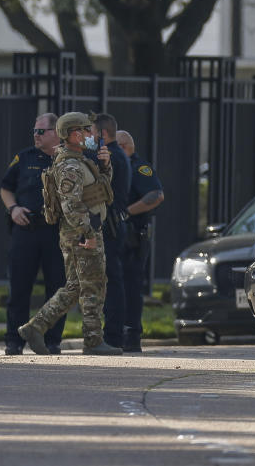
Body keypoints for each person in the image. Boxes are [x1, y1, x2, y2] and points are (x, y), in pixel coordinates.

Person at [18, 112, 122, 356]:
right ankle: (93, 340)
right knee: (92, 285)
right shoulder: (70, 165)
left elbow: (101, 190)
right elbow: (71, 206)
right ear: (75, 134)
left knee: (78, 286)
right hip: (80, 233)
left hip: (86, 230)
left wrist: (106, 165)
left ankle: (35, 327)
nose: (91, 135)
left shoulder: (81, 159)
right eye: (87, 131)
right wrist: (87, 233)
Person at [0, 113, 66, 355]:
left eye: (41, 131)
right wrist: (13, 208)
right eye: (34, 131)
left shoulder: (68, 160)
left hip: (56, 231)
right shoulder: (25, 157)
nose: (35, 136)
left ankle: (52, 340)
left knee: (57, 287)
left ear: (55, 133)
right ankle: (14, 340)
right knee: (19, 287)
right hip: (26, 228)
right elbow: (6, 188)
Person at [117, 130, 165, 353]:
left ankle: (132, 334)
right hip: (118, 235)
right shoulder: (115, 168)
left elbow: (156, 195)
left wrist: (125, 213)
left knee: (131, 286)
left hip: (134, 236)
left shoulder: (139, 168)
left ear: (124, 146)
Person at [89, 112, 130, 349]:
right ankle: (113, 334)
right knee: (113, 280)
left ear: (103, 135)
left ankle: (113, 335)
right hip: (116, 223)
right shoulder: (118, 155)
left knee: (111, 281)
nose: (90, 139)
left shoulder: (110, 157)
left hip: (110, 224)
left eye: (93, 134)